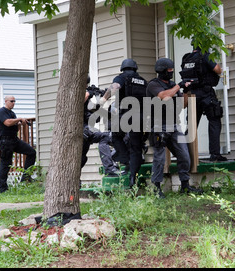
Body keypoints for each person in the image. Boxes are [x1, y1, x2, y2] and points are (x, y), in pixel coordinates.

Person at [146, 57, 203, 198]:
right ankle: (156, 188)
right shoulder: (153, 85)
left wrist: (185, 91)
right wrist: (178, 85)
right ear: (161, 71)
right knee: (159, 159)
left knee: (184, 156)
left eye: (172, 70)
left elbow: (182, 105)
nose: (171, 73)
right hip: (158, 126)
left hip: (174, 126)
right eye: (169, 70)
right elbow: (163, 96)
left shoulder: (172, 85)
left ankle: (185, 186)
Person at [100, 58, 148, 187]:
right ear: (135, 68)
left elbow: (115, 87)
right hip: (140, 117)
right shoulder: (143, 81)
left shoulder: (122, 78)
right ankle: (133, 178)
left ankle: (126, 161)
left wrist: (103, 99)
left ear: (123, 68)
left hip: (125, 116)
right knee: (136, 147)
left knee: (116, 137)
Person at [180, 42, 227, 162]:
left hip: (192, 94)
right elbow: (217, 70)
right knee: (214, 121)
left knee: (191, 125)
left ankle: (186, 155)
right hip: (206, 94)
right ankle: (215, 154)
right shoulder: (205, 56)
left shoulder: (186, 58)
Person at [0, 96, 36, 193]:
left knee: (31, 152)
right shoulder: (2, 111)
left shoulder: (12, 113)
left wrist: (20, 123)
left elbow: (14, 127)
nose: (13, 103)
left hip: (14, 140)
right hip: (5, 141)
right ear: (6, 101)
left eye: (14, 101)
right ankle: (3, 189)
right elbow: (7, 123)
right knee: (6, 163)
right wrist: (19, 119)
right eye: (11, 101)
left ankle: (25, 177)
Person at [83, 79, 119, 177]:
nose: (86, 86)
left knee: (107, 137)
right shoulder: (77, 94)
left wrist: (102, 98)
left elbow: (92, 112)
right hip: (80, 130)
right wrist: (90, 93)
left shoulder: (87, 98)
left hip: (87, 130)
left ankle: (110, 168)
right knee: (80, 160)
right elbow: (81, 99)